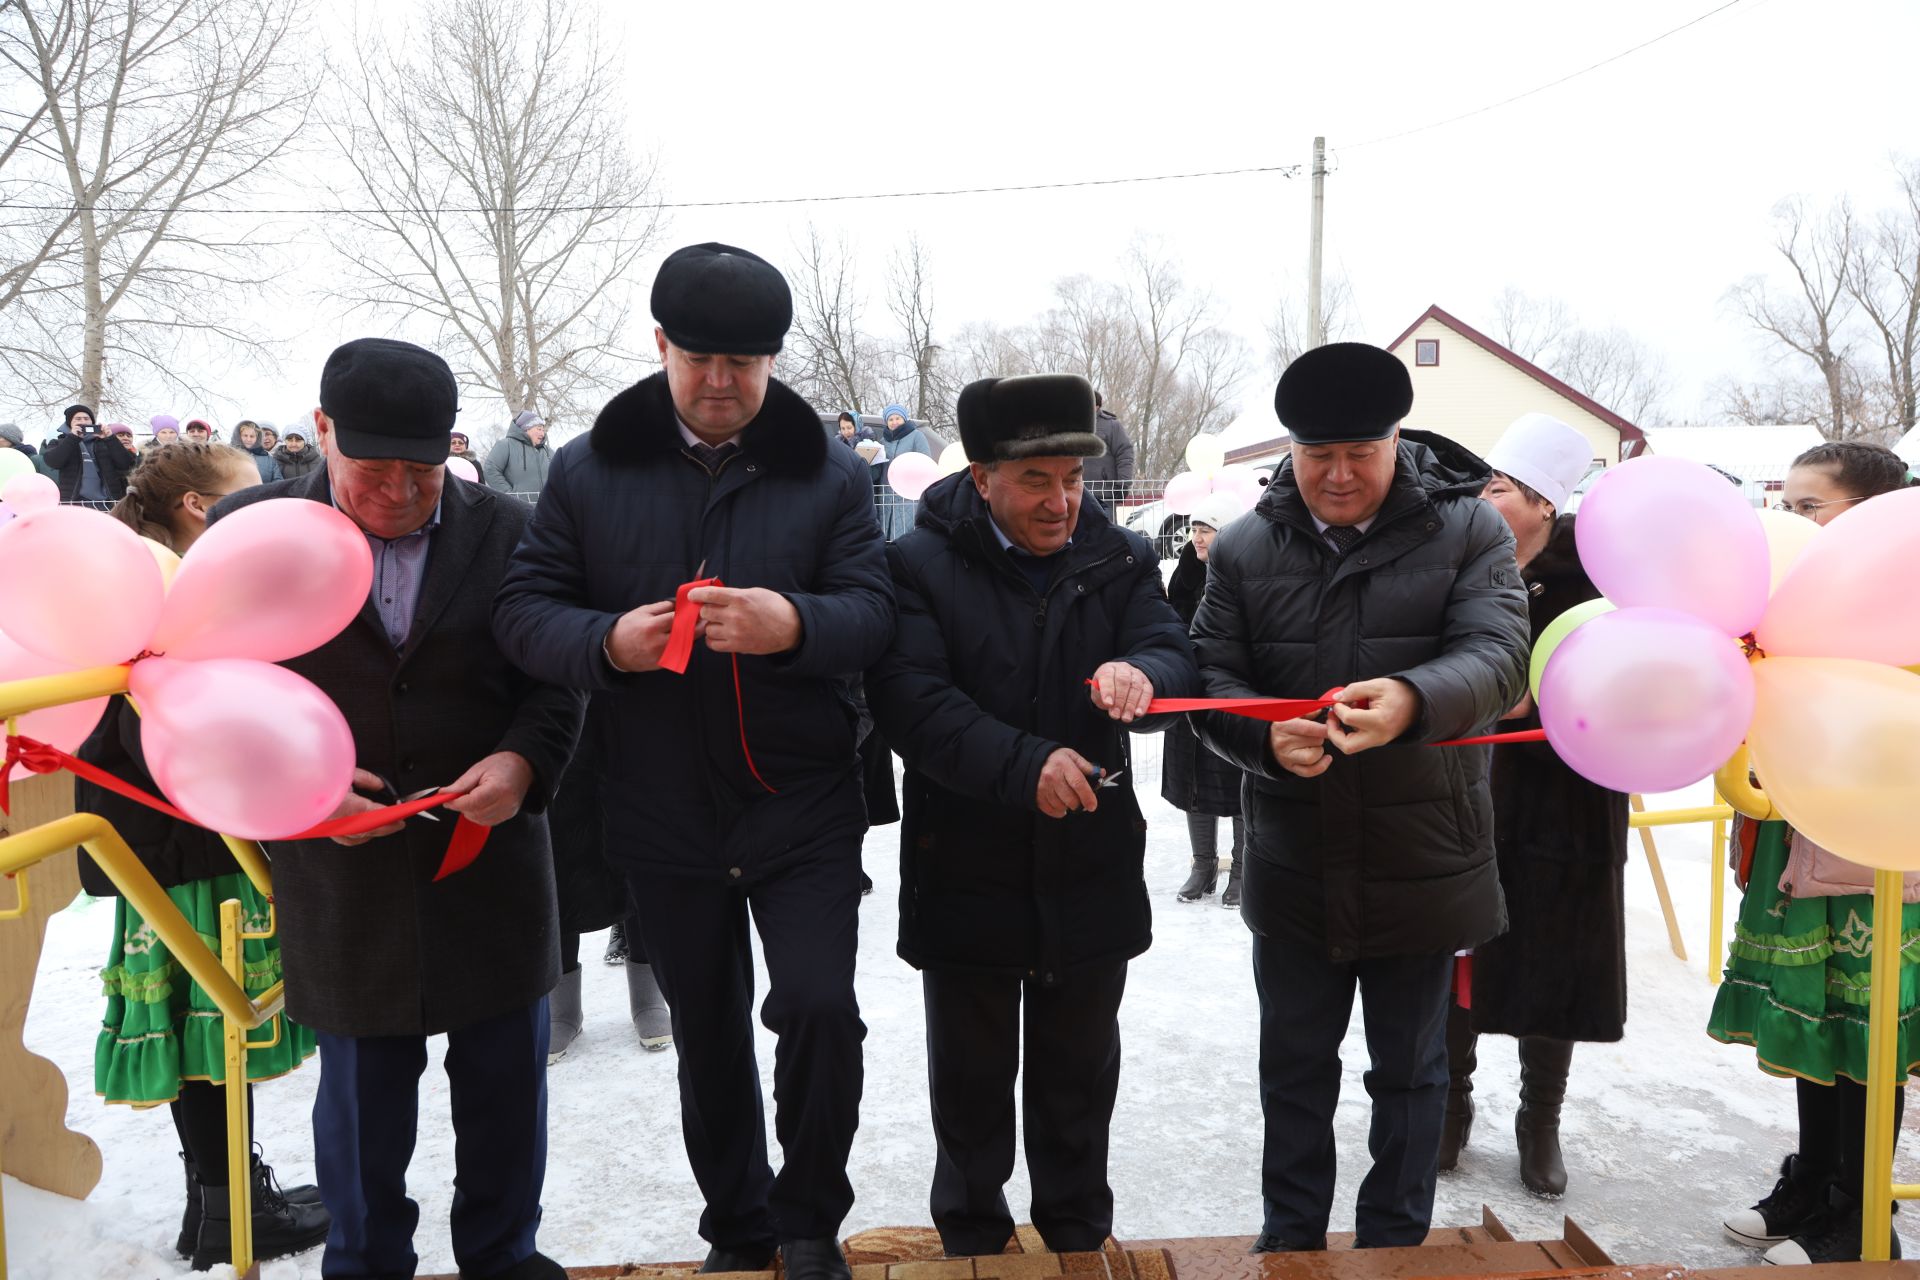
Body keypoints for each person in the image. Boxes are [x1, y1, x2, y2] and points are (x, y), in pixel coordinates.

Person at [494, 242, 892, 1280]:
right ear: (663, 344)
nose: (723, 382)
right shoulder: (588, 468)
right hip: (657, 799)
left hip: (800, 796)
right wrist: (604, 645)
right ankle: (739, 1221)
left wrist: (793, 622)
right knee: (706, 1030)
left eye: (747, 361)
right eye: (702, 357)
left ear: (774, 360)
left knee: (817, 1007)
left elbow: (878, 613)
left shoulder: (830, 472)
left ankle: (809, 1218)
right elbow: (524, 610)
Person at [212, 337, 584, 1280]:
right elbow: (213, 692)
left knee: (505, 1099)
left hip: (489, 859)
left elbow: (558, 684)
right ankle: (367, 1264)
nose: (396, 494)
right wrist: (298, 787)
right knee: (363, 1111)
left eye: (420, 472)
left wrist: (521, 763)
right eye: (371, 470)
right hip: (342, 874)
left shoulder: (513, 530)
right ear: (322, 430)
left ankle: (503, 1259)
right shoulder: (250, 532)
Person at [1188, 342, 1530, 1252]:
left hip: (1425, 853)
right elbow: (1213, 675)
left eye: (1360, 456)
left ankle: (1393, 1249)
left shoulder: (1467, 530)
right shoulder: (1250, 542)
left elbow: (1500, 658)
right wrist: (1263, 737)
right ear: (1289, 451)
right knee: (1293, 1068)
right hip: (1295, 854)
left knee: (1412, 1074)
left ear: (1397, 442)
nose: (1337, 477)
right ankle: (1290, 1241)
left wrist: (1416, 700)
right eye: (1315, 457)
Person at [868, 373, 1199, 1256]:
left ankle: (1078, 1241)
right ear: (981, 478)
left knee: (1078, 1085)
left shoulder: (1120, 559)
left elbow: (1171, 644)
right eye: (1035, 481)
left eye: (1073, 480)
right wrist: (1024, 764)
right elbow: (912, 702)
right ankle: (973, 1246)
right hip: (965, 866)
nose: (1060, 502)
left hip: (1090, 862)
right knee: (972, 1091)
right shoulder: (916, 567)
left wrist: (1147, 672)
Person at [78, 441, 331, 1272]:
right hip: (187, 836)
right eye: (246, 492)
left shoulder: (156, 579)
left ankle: (219, 1200)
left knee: (211, 1021)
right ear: (198, 507)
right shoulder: (165, 587)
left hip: (171, 834)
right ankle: (228, 1210)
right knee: (213, 1023)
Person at [1712, 440, 1919, 1265]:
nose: (1786, 523)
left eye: (1807, 508)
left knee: (1868, 1033)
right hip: (1797, 840)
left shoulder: (1904, 598)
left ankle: (1861, 1212)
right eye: (1783, 503)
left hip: (1878, 854)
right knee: (1813, 1024)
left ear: (1872, 517)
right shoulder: (1782, 604)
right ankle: (1814, 1180)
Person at [1436, 413, 1620, 1199]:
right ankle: (1449, 1104)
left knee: (1556, 953)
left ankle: (1539, 1118)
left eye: (1502, 486)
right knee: (1453, 955)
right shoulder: (1458, 565)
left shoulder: (1605, 582)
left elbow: (1631, 686)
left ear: (1547, 503)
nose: (1484, 496)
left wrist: (1541, 702)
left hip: (1566, 797)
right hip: (1463, 789)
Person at [1162, 493, 1249, 907]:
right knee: (1192, 782)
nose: (1198, 537)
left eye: (1207, 529)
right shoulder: (1182, 575)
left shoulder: (1243, 571)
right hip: (1188, 691)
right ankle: (1203, 865)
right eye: (1195, 528)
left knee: (1234, 782)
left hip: (1230, 693)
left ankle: (1241, 869)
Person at [43, 403, 135, 503]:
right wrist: (72, 438)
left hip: (107, 502)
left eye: (87, 418)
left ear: (92, 421)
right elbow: (53, 462)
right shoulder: (60, 442)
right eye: (78, 419)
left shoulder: (105, 442)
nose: (83, 422)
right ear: (70, 422)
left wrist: (110, 438)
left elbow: (126, 464)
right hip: (74, 501)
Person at [877, 403, 933, 540]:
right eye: (890, 419)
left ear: (904, 419)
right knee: (886, 536)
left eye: (897, 418)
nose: (894, 422)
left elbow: (926, 464)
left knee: (905, 537)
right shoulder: (883, 441)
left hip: (908, 496)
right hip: (886, 495)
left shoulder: (916, 436)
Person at [1080, 390, 1137, 509]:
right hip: (1078, 494)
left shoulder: (1112, 425)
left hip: (1104, 495)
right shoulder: (1073, 424)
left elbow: (1125, 455)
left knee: (1105, 527)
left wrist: (1123, 484)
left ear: (1097, 405)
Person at [485, 409, 552, 497]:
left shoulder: (548, 451)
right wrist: (509, 495)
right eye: (539, 429)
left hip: (546, 508)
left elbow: (560, 475)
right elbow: (490, 470)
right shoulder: (506, 445)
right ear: (526, 429)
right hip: (518, 508)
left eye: (543, 430)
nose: (542, 434)